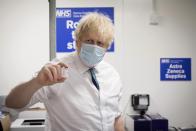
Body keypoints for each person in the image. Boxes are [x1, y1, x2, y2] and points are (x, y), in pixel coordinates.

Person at [6, 12, 125, 131]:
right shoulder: (56, 70)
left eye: (100, 43)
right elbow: (12, 103)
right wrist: (36, 82)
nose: (94, 47)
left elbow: (116, 118)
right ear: (77, 43)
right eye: (89, 41)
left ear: (106, 48)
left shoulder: (112, 75)